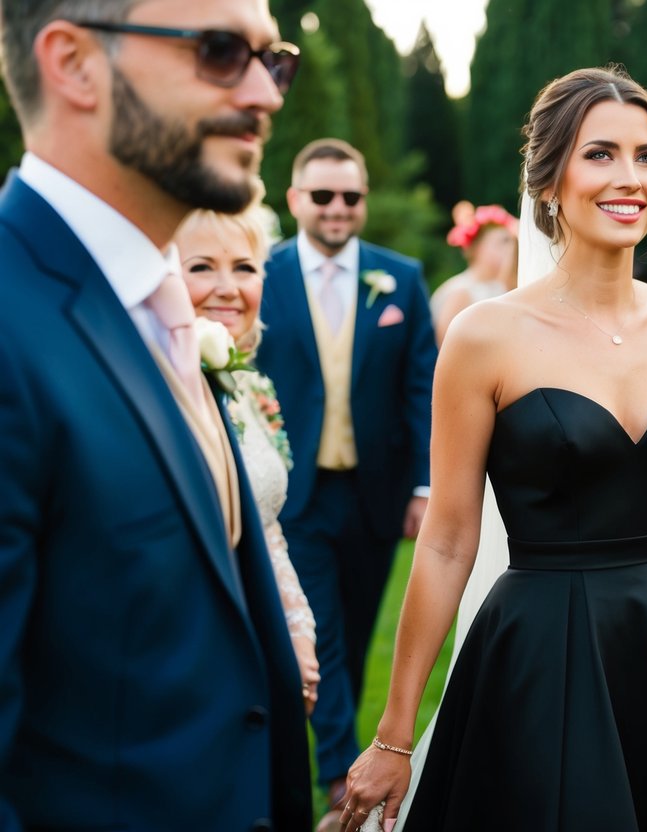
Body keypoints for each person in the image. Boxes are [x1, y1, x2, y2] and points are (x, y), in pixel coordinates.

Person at [339, 65, 647, 832]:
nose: (630, 178)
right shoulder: (485, 335)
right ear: (548, 179)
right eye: (599, 154)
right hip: (543, 644)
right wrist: (394, 735)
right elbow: (445, 542)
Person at [0, 1, 311, 828]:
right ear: (72, 63)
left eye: (270, 59)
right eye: (218, 52)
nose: (266, 94)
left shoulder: (164, 313)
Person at [256, 137, 438, 827]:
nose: (338, 208)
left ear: (363, 201)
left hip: (376, 495)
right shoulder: (262, 274)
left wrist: (423, 485)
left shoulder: (401, 278)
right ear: (295, 198)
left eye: (350, 197)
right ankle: (336, 780)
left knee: (358, 634)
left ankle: (338, 759)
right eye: (323, 196)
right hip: (294, 496)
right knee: (323, 632)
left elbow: (422, 389)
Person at [177, 200, 322, 715]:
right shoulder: (158, 395)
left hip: (270, 636)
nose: (228, 288)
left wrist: (299, 632)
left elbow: (266, 527)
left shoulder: (250, 385)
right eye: (201, 267)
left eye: (244, 267)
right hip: (194, 653)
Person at [431, 202, 518, 345]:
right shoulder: (459, 292)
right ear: (477, 247)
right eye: (502, 242)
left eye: (510, 241)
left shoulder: (504, 287)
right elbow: (445, 348)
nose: (509, 249)